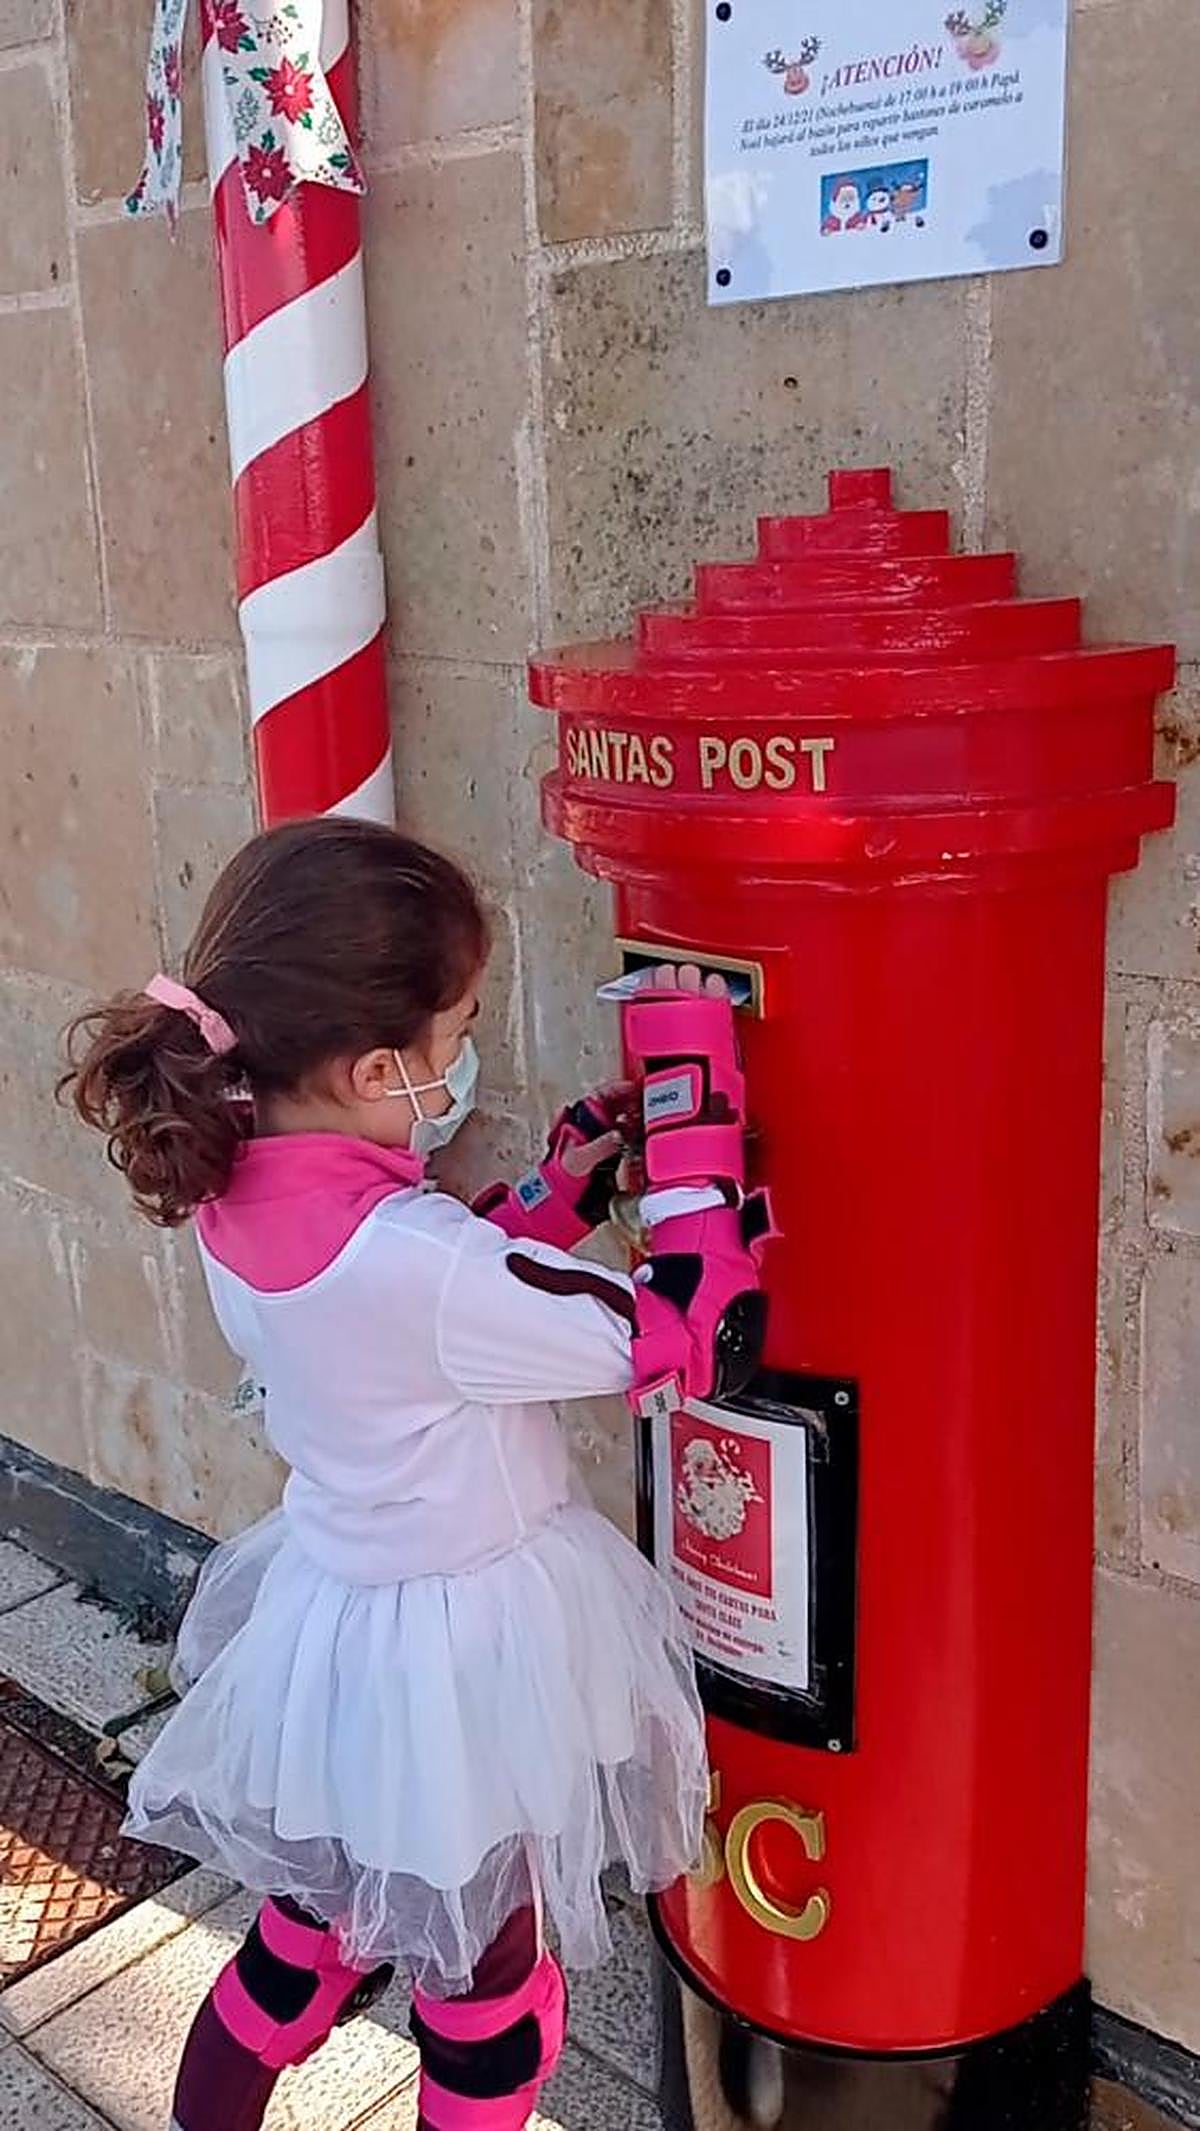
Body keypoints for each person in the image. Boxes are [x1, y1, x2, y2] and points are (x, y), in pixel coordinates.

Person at [62, 817, 768, 2131]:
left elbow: (442, 1289)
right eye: (458, 1034)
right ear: (381, 1064)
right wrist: (692, 1093)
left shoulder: (230, 1189)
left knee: (300, 1943)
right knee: (486, 1987)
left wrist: (566, 1182)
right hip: (466, 1657)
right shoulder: (423, 1260)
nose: (463, 1061)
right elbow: (690, 1337)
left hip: (339, 1632)